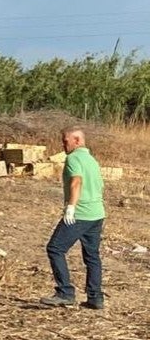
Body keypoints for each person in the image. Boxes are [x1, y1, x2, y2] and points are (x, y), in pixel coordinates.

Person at [39, 126, 105, 309]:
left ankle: (65, 292)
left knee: (55, 248)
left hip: (80, 213)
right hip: (97, 213)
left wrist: (70, 208)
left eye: (65, 141)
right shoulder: (91, 160)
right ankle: (95, 297)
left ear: (77, 140)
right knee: (92, 255)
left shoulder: (73, 158)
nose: (63, 144)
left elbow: (77, 182)